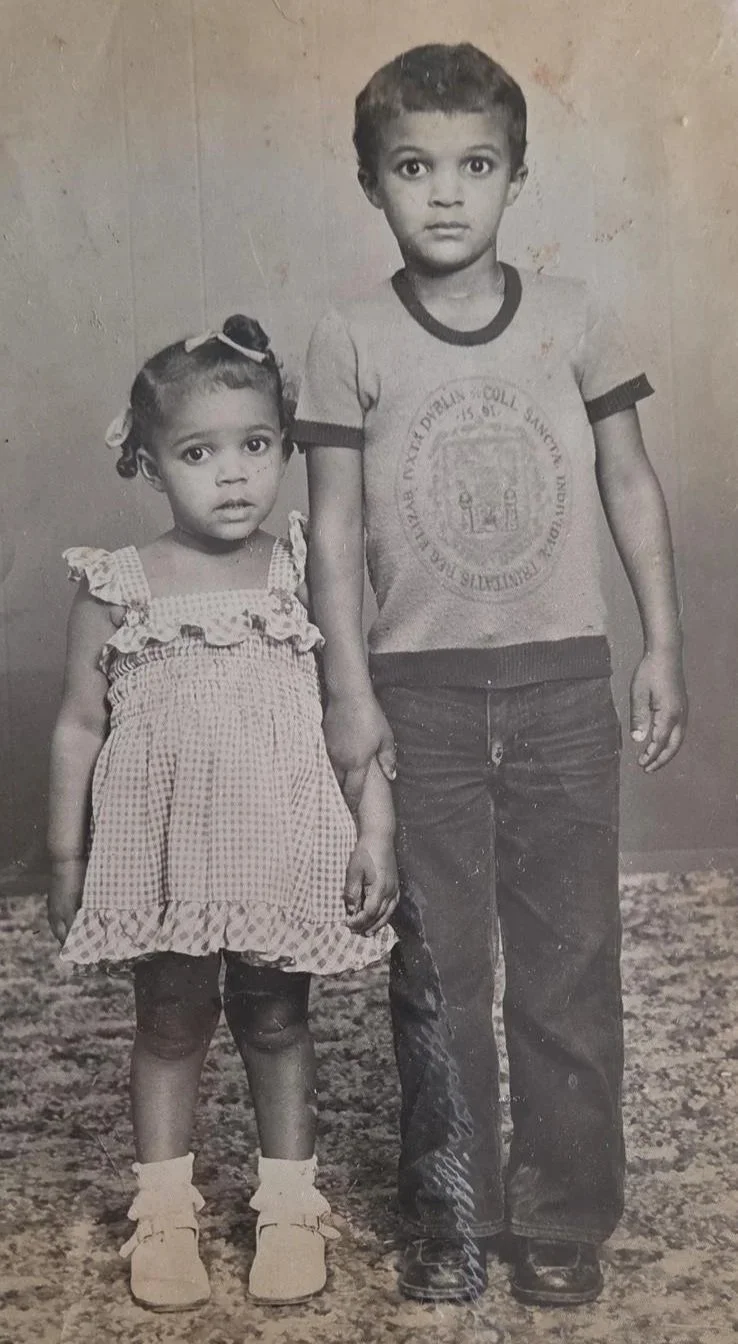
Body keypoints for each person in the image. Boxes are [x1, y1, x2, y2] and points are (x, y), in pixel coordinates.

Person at [295, 43, 688, 1308]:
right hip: (421, 696)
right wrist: (350, 694)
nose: (446, 194)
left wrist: (662, 643)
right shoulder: (348, 336)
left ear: (518, 176)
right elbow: (333, 532)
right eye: (414, 169)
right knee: (439, 976)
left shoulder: (575, 316)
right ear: (372, 184)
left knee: (570, 965)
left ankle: (564, 1216)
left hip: (565, 688)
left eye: (475, 166)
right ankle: (452, 1214)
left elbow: (630, 480)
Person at [46, 315, 398, 1313]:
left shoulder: (300, 572)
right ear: (148, 464)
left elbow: (352, 714)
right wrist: (66, 860)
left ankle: (289, 1204)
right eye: (198, 454)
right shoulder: (117, 587)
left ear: (286, 448)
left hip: (279, 842)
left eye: (256, 445)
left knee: (279, 1019)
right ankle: (164, 1212)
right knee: (168, 1020)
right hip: (167, 853)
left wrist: (375, 828)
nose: (233, 474)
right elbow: (77, 726)